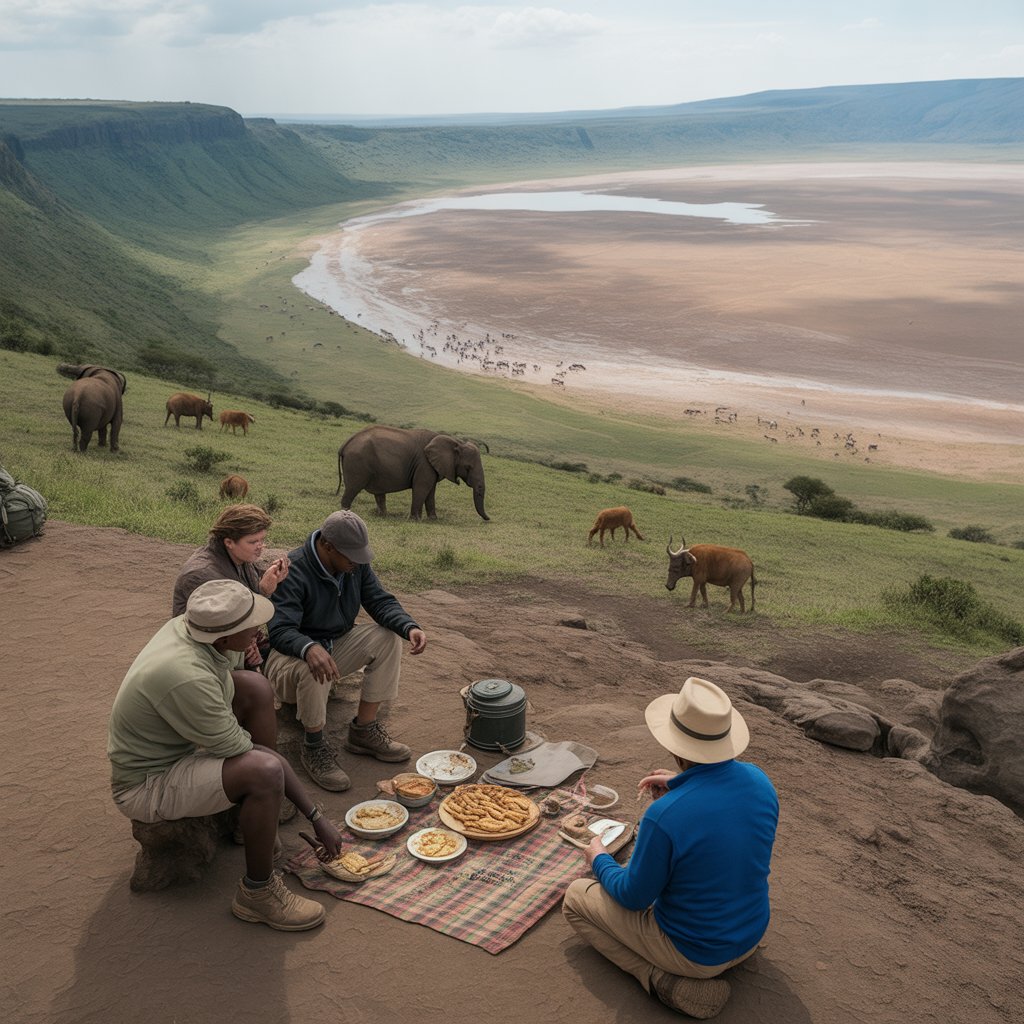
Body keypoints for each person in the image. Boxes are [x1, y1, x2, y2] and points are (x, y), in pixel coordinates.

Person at [108, 579, 343, 931]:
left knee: (255, 687)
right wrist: (315, 815)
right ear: (224, 637)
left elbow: (238, 684)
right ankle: (258, 894)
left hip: (180, 745)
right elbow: (258, 755)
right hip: (147, 784)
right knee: (264, 773)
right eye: (250, 627)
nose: (259, 631)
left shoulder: (197, 631)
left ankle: (247, 822)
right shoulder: (185, 676)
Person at [562, 677, 779, 1019]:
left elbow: (633, 896)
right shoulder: (760, 781)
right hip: (750, 932)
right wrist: (679, 785)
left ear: (677, 748)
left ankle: (661, 980)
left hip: (696, 953)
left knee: (575, 897)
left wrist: (599, 858)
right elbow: (720, 815)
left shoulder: (664, 816)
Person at [264, 509, 427, 792]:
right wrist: (307, 647)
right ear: (327, 546)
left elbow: (378, 600)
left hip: (333, 645)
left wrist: (409, 627)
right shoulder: (294, 569)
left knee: (387, 638)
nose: (357, 562)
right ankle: (313, 746)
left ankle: (363, 731)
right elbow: (279, 631)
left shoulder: (354, 564)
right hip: (288, 661)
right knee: (312, 662)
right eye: (351, 556)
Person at [171, 504, 290, 670]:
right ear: (229, 542)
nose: (260, 546)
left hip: (228, 639)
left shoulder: (239, 558)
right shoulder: (201, 574)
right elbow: (227, 621)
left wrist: (274, 575)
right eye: (253, 541)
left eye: (262, 540)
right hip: (202, 653)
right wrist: (263, 591)